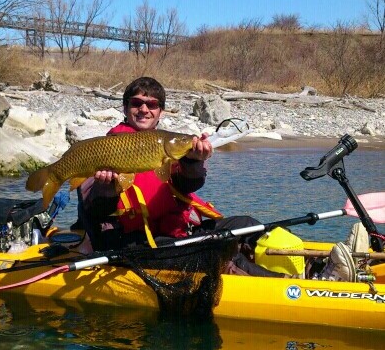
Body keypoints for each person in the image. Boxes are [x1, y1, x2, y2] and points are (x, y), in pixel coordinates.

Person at [76, 76, 358, 280]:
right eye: (136, 103)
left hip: (175, 228)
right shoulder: (106, 147)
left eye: (152, 104)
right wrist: (106, 188)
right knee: (216, 249)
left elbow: (186, 185)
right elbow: (94, 210)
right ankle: (293, 285)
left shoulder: (164, 145)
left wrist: (194, 163)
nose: (144, 109)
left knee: (247, 224)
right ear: (126, 108)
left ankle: (314, 267)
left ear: (161, 111)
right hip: (137, 242)